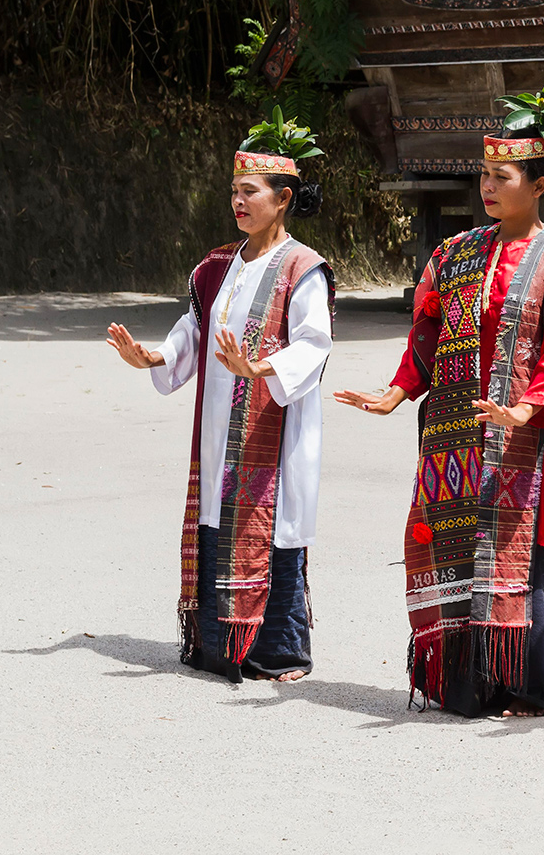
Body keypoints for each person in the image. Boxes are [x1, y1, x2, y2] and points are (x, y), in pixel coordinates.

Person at [335, 79, 544, 718]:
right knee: (448, 549)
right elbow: (425, 338)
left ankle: (523, 686)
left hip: (520, 436)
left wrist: (529, 407)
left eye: (501, 175)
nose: (486, 186)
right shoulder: (452, 253)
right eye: (482, 174)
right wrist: (396, 392)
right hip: (449, 437)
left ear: (538, 184)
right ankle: (461, 684)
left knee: (517, 554)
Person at [107, 109, 333, 685]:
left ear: (283, 198)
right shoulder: (214, 267)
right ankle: (217, 645)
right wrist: (155, 356)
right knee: (216, 511)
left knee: (272, 522)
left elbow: (313, 342)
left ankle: (276, 651)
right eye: (233, 191)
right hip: (217, 424)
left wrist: (261, 367)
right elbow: (194, 329)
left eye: (249, 192)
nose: (238, 202)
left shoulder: (304, 268)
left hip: (270, 428)